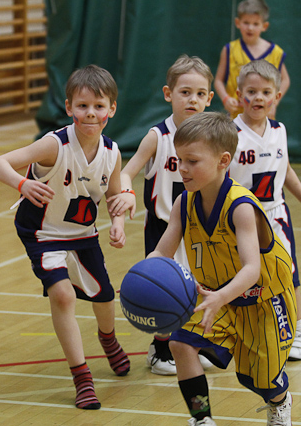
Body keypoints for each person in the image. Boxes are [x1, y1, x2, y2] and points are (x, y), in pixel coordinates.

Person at [0, 64, 130, 410]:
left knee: (104, 296)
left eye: (99, 106)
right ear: (69, 108)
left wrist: (120, 220)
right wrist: (22, 183)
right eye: (82, 106)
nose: (91, 113)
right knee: (63, 296)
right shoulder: (54, 145)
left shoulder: (112, 153)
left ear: (112, 109)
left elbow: (115, 196)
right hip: (43, 233)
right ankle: (82, 377)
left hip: (83, 233)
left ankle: (108, 339)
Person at [149, 112, 296, 426]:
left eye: (192, 161)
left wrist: (219, 298)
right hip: (219, 298)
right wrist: (143, 278)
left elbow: (251, 270)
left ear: (222, 160)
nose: (182, 168)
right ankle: (201, 419)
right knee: (180, 343)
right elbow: (162, 252)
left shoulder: (240, 207)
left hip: (264, 300)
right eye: (179, 160)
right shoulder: (183, 204)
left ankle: (280, 401)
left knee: (261, 381)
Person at [107, 55, 214, 375]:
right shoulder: (158, 136)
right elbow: (127, 172)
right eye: (185, 92)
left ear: (210, 98)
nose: (192, 99)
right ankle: (159, 348)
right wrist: (125, 194)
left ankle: (192, 343)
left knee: (200, 284)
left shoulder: (210, 136)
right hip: (164, 226)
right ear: (169, 94)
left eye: (199, 93)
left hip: (201, 227)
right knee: (162, 287)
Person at [228, 60, 301, 361]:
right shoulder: (229, 133)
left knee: (288, 275)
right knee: (233, 275)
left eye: (265, 92)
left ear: (276, 97)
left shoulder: (279, 130)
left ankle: (297, 331)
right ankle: (226, 334)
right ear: (239, 93)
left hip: (274, 216)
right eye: (251, 91)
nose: (258, 98)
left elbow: (287, 170)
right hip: (237, 218)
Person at [214, 0, 290, 120]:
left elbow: (285, 80)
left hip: (264, 115)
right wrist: (226, 99)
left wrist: (275, 102)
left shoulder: (276, 52)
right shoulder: (230, 50)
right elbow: (218, 80)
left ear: (264, 26)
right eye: (246, 22)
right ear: (237, 23)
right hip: (236, 116)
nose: (250, 28)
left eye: (255, 24)